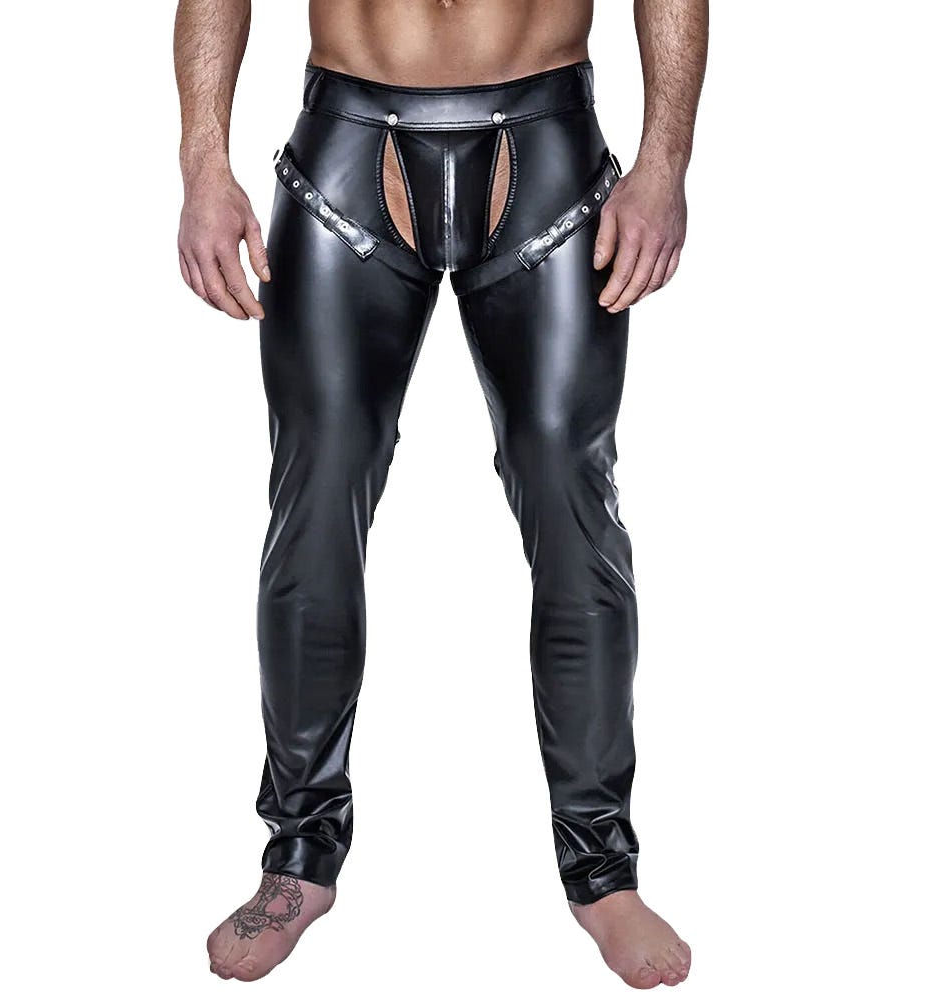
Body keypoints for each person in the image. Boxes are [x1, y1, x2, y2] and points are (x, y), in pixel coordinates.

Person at [174, 0, 707, 988]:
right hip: (348, 143)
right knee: (315, 503)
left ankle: (602, 869)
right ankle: (298, 856)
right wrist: (203, 162)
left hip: (546, 139)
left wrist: (664, 162)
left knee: (571, 500)